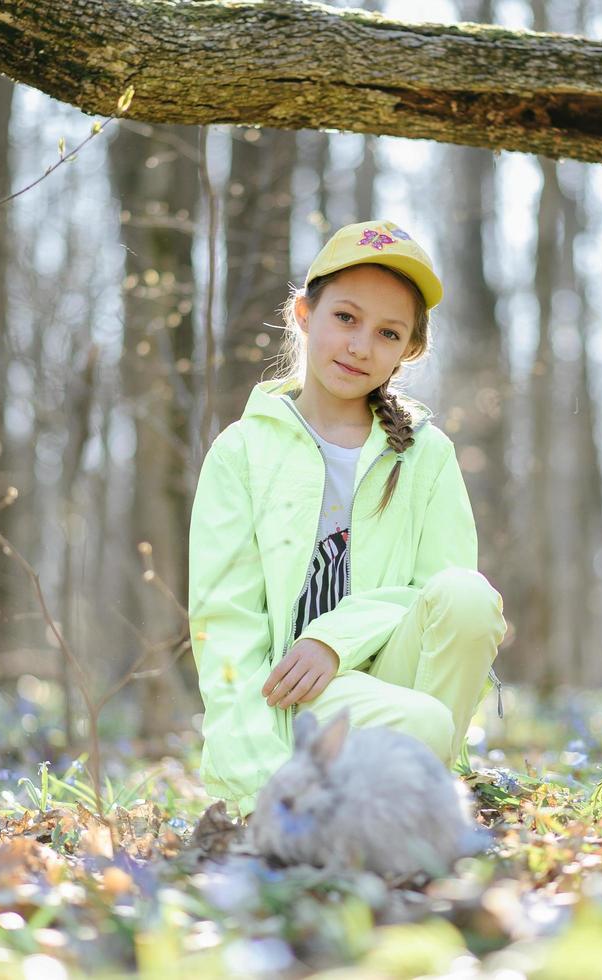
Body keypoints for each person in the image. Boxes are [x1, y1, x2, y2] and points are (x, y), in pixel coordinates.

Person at [187, 218, 508, 814]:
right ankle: (387, 798)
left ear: (408, 351)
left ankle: (409, 801)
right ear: (304, 315)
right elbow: (224, 628)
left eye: (388, 333)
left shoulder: (426, 454)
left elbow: (436, 594)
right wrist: (260, 791)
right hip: (293, 701)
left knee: (467, 597)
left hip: (395, 679)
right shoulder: (243, 452)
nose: (361, 346)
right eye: (345, 318)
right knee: (425, 727)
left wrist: (333, 641)